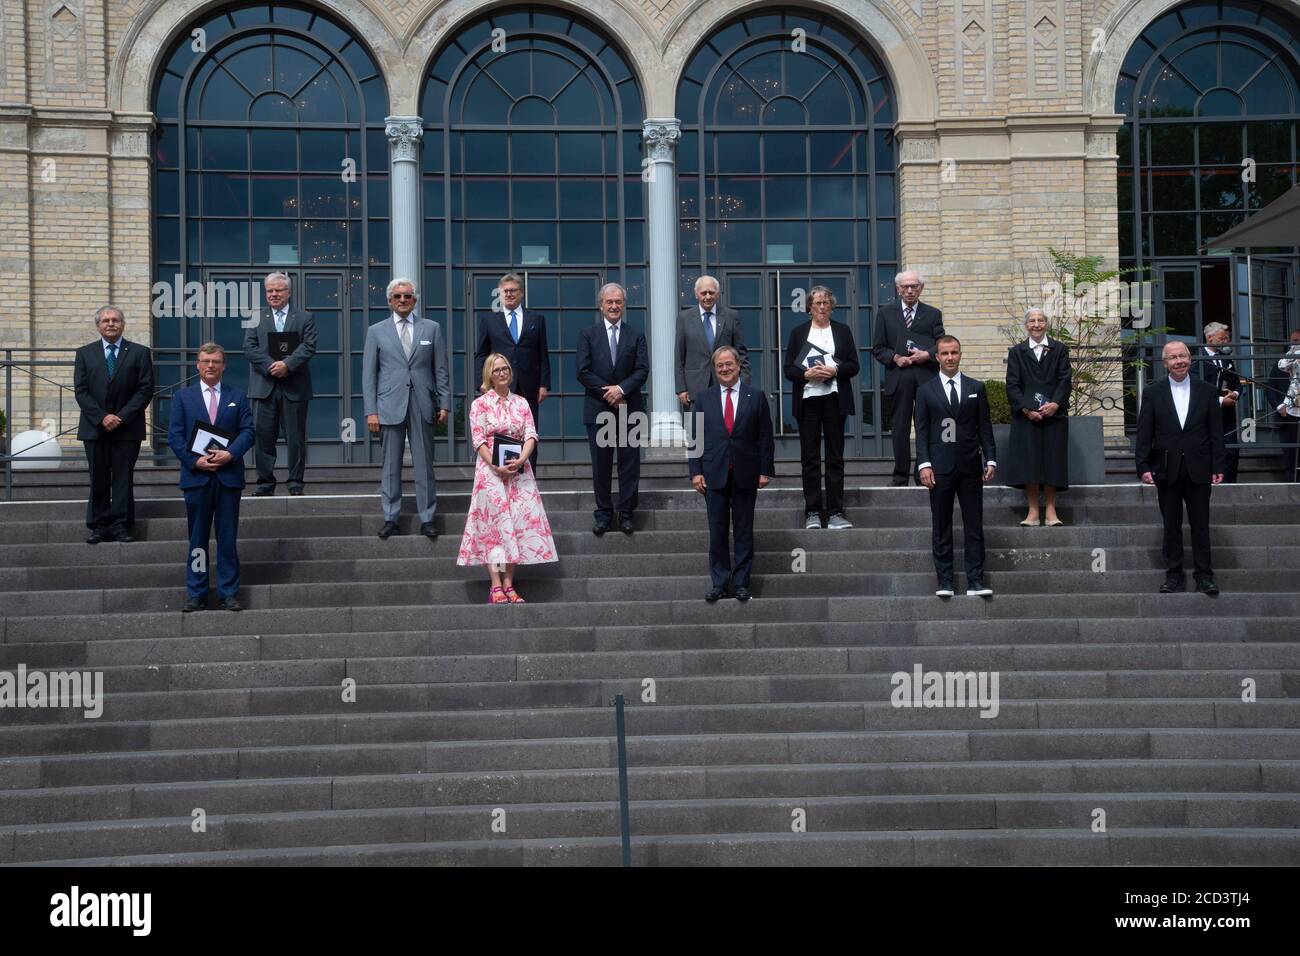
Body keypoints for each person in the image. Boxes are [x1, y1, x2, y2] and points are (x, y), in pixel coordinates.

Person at [457, 354, 557, 604]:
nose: (502, 373)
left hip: (518, 472)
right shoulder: (480, 404)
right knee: (494, 527)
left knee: (516, 525)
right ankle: (495, 585)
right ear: (489, 375)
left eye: (506, 369)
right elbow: (478, 439)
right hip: (490, 472)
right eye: (497, 370)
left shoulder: (522, 403)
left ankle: (510, 584)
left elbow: (531, 434)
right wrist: (494, 465)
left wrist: (522, 460)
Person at [166, 343, 255, 612]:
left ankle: (228, 592)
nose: (210, 366)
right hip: (197, 478)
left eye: (216, 361)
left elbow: (248, 431)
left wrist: (230, 455)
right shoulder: (183, 397)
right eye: (205, 361)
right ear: (197, 364)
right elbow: (175, 436)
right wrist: (195, 461)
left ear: (224, 365)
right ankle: (197, 593)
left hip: (228, 478)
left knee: (227, 538)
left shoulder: (237, 397)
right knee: (198, 539)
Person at [362, 278, 451, 541]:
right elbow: (369, 375)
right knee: (390, 465)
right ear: (389, 300)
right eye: (398, 296)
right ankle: (391, 517)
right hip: (388, 404)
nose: (403, 300)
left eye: (408, 296)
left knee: (424, 465)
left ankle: (427, 518)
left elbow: (441, 369)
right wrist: (371, 410)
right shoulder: (376, 331)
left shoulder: (431, 328)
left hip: (423, 403)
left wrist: (444, 402)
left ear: (415, 300)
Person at [1136, 341, 1225, 595]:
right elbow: (1145, 433)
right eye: (1173, 357)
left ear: (1190, 359)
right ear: (1165, 363)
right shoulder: (1153, 392)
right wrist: (1142, 465)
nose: (1179, 361)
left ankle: (1204, 576)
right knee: (1171, 525)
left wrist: (1218, 464)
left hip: (1200, 467)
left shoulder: (1207, 391)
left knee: (1201, 525)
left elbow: (1216, 433)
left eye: (1183, 356)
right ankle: (1174, 576)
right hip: (1166, 468)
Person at [689, 346, 774, 602]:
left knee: (744, 531)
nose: (725, 369)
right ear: (715, 370)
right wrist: (695, 472)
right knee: (717, 532)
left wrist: (765, 470)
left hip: (746, 473)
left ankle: (741, 583)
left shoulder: (755, 396)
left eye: (729, 364)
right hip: (713, 474)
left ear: (738, 366)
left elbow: (765, 437)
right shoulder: (703, 398)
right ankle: (719, 582)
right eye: (720, 366)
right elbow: (696, 437)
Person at [915, 335, 997, 598]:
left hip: (970, 465)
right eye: (945, 353)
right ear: (937, 357)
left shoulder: (976, 387)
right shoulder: (926, 390)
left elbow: (984, 426)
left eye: (954, 352)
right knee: (941, 525)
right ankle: (945, 582)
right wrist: (924, 464)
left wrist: (991, 458)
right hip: (939, 468)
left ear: (960, 354)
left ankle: (975, 581)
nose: (950, 357)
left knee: (974, 524)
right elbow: (922, 430)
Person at [74, 305, 153, 544]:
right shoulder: (85, 353)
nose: (111, 324)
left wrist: (121, 416)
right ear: (98, 325)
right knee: (98, 477)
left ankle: (121, 525)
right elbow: (81, 390)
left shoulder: (139, 352)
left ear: (123, 324)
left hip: (127, 428)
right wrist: (102, 417)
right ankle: (99, 525)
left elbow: (145, 388)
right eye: (106, 320)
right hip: (94, 427)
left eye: (115, 320)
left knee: (122, 478)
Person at [783, 285, 859, 529]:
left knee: (835, 457)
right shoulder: (798, 333)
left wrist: (834, 370)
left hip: (835, 399)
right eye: (817, 303)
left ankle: (836, 512)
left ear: (832, 305)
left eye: (826, 302)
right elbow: (788, 370)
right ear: (809, 308)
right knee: (810, 458)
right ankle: (813, 512)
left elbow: (854, 365)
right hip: (808, 400)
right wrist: (807, 373)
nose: (822, 307)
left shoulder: (843, 331)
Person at [576, 282, 648, 535]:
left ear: (624, 305)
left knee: (629, 465)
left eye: (619, 302)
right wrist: (610, 392)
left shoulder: (636, 335)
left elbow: (642, 370)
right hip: (599, 409)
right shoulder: (588, 334)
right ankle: (604, 514)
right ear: (601, 305)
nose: (614, 306)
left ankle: (626, 514)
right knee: (602, 465)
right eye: (610, 302)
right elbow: (582, 372)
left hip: (629, 408)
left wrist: (621, 390)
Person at [243, 271, 316, 496]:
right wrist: (270, 365)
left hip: (294, 387)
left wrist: (287, 365)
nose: (273, 294)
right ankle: (265, 484)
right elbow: (249, 347)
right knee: (263, 439)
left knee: (296, 439)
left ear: (289, 292)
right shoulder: (255, 316)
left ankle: (295, 483)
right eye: (269, 291)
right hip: (264, 387)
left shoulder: (304, 317)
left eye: (278, 290)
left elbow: (308, 346)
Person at [872, 269, 944, 485]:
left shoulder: (933, 314)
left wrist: (927, 354)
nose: (910, 290)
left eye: (914, 286)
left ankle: (922, 473)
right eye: (905, 286)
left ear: (921, 288)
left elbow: (941, 344)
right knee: (900, 428)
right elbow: (878, 348)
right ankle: (900, 476)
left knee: (925, 426)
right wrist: (894, 357)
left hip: (926, 378)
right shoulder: (885, 313)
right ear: (898, 289)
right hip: (899, 377)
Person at [473, 273, 549, 470]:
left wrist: (544, 384)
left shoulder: (537, 319)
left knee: (529, 435)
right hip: (499, 387)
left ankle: (527, 480)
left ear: (521, 293)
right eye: (505, 291)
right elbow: (481, 354)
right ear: (500, 294)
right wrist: (481, 382)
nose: (508, 294)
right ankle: (503, 475)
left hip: (529, 386)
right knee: (501, 434)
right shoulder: (489, 320)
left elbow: (543, 353)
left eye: (513, 290)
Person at [1003, 307, 1071, 526]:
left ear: (1046, 324)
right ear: (1026, 325)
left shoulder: (1059, 349)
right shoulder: (1016, 352)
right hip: (1026, 418)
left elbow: (1065, 380)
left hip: (1054, 416)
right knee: (1029, 464)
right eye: (1032, 320)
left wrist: (1055, 404)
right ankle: (1032, 512)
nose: (1036, 324)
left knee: (1052, 462)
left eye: (1041, 320)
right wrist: (1026, 410)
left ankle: (1051, 511)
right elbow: (1012, 385)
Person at [676, 274, 750, 408]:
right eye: (704, 293)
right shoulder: (684, 318)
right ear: (696, 294)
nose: (708, 296)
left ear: (718, 294)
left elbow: (741, 354)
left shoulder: (731, 316)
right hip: (693, 390)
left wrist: (744, 384)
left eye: (712, 292)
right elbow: (679, 355)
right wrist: (681, 388)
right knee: (696, 428)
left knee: (724, 428)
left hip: (726, 386)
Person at [1195, 322, 1241, 484]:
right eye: (1222, 338)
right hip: (1206, 413)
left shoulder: (1226, 358)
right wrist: (1221, 401)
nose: (1226, 341)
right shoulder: (1196, 358)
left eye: (1227, 338)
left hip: (1227, 415)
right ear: (1210, 338)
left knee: (1231, 449)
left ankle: (1229, 483)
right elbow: (1196, 388)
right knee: (1208, 448)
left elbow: (1237, 383)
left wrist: (1234, 394)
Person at [1274, 330, 1300, 482]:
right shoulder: (1292, 354)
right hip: (1293, 400)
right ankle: (1293, 479)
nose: (1294, 343)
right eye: (1292, 341)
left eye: (1297, 341)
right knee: (1292, 446)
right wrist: (1293, 351)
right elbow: (1281, 365)